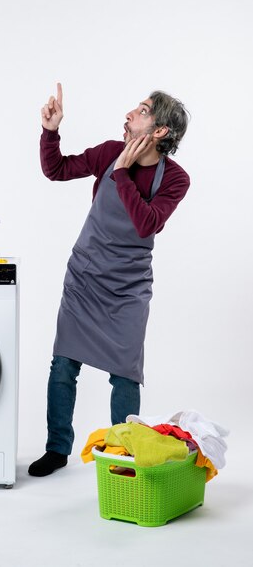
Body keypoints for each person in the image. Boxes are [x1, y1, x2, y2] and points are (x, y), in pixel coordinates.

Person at [28, 83, 190, 477]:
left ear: (160, 131)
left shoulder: (175, 179)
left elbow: (146, 223)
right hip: (85, 277)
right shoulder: (106, 152)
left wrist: (120, 175)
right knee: (63, 364)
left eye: (142, 110)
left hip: (128, 288)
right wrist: (51, 131)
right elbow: (57, 170)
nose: (130, 113)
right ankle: (57, 448)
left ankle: (123, 454)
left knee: (125, 373)